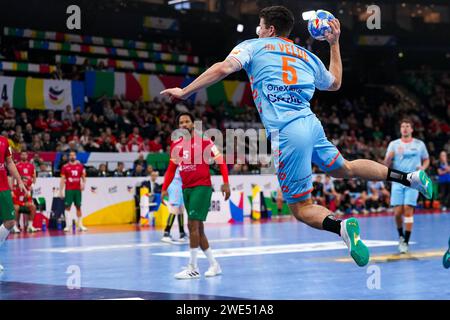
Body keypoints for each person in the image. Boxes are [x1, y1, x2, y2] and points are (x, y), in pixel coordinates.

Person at [161, 5, 433, 267]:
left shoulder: (252, 46)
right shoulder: (306, 55)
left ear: (268, 29)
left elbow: (222, 68)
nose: (257, 30)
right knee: (343, 168)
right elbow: (335, 83)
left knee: (301, 208)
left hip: (288, 133)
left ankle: (341, 227)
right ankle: (408, 177)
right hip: (310, 123)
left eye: (259, 25)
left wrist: (186, 91)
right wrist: (334, 44)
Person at [161, 112, 230, 279]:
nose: (184, 124)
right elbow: (171, 169)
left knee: (192, 225)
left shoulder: (205, 142)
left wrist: (226, 182)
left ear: (193, 124)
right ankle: (214, 265)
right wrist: (164, 188)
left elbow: (221, 161)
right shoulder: (176, 146)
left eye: (187, 121)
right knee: (198, 230)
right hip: (187, 189)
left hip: (202, 187)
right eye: (181, 122)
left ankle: (193, 267)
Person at [385, 118, 430, 254]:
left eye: (407, 126)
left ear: (411, 129)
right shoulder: (393, 144)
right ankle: (400, 236)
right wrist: (389, 158)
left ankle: (406, 242)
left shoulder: (419, 144)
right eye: (402, 126)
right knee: (398, 213)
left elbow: (426, 159)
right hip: (397, 180)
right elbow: (386, 164)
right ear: (400, 129)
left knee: (408, 210)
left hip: (413, 181)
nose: (405, 128)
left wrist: (423, 167)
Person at [0, 136, 27, 271]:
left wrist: (20, 181)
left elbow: (9, 162)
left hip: (3, 188)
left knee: (10, 222)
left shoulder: (4, 141)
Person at [59, 151, 87, 232]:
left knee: (78, 206)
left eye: (73, 155)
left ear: (75, 156)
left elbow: (83, 177)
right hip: (69, 190)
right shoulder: (65, 167)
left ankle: (80, 225)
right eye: (70, 155)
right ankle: (67, 226)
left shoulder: (80, 166)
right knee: (68, 207)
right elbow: (62, 179)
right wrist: (61, 191)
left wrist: (83, 184)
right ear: (69, 157)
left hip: (78, 190)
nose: (72, 156)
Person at [11, 151, 37, 233]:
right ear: (20, 155)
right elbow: (13, 177)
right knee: (16, 207)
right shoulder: (17, 165)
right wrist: (12, 188)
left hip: (27, 190)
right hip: (18, 192)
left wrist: (32, 186)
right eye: (22, 154)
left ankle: (30, 226)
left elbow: (34, 177)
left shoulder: (31, 166)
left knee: (32, 206)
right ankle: (15, 226)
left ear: (27, 156)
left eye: (25, 154)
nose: (24, 156)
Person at [161, 167, 187, 243]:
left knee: (181, 210)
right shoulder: (177, 162)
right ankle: (166, 232)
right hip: (174, 186)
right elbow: (168, 174)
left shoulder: (184, 161)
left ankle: (182, 233)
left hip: (181, 186)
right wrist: (165, 188)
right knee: (174, 210)